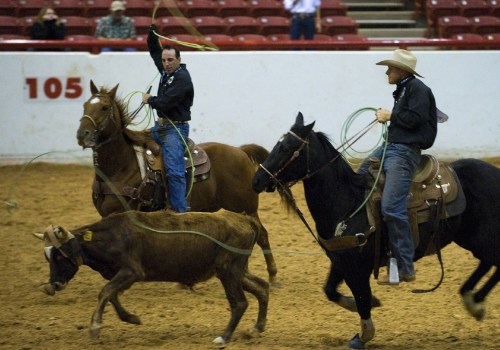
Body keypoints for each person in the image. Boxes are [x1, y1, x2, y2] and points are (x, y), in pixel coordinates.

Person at [357, 49, 438, 285]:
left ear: (401, 70)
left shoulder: (418, 89)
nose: (386, 72)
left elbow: (416, 119)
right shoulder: (404, 89)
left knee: (392, 208)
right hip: (391, 147)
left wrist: (391, 116)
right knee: (358, 177)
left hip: (404, 152)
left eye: (390, 68)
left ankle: (406, 266)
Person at [142, 24, 194, 213]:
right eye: (164, 60)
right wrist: (151, 35)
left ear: (179, 60)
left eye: (170, 60)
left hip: (175, 129)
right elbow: (154, 50)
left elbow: (165, 103)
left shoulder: (182, 79)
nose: (166, 63)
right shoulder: (167, 72)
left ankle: (180, 213)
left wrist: (149, 99)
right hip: (161, 127)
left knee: (174, 171)